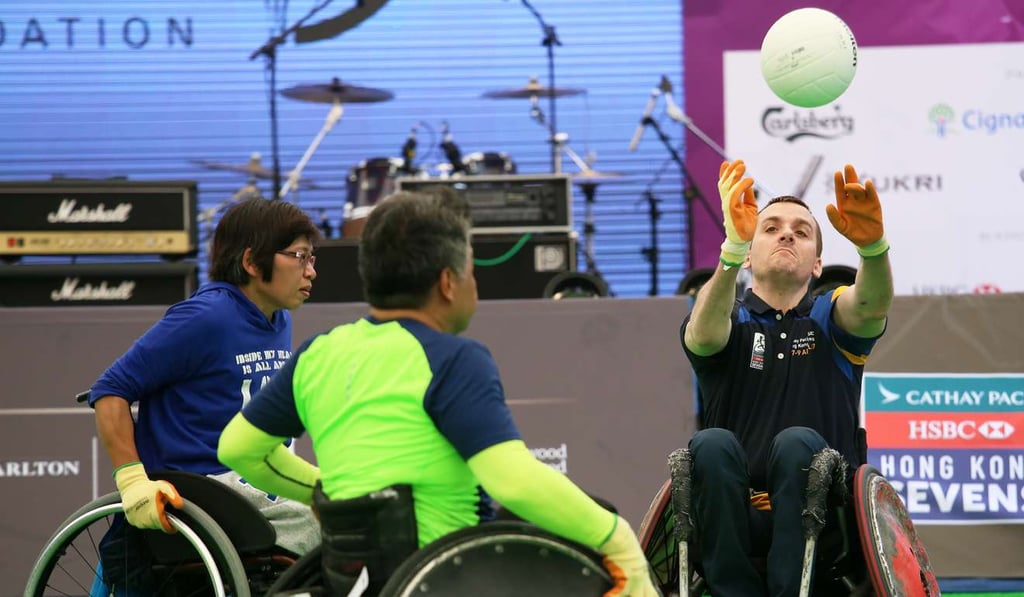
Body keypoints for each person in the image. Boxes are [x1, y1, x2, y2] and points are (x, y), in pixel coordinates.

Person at [218, 189, 657, 597]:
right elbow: (513, 480)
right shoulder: (453, 358)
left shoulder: (319, 353)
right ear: (448, 282)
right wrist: (618, 538)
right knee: (598, 524)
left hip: (356, 581)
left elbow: (238, 447)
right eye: (471, 268)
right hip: (451, 576)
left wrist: (329, 494)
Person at [680, 159, 893, 597]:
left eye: (801, 229)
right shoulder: (729, 318)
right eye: (770, 227)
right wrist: (730, 249)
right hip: (731, 517)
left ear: (817, 264)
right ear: (750, 254)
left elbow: (870, 306)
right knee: (710, 444)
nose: (786, 233)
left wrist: (873, 250)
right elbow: (701, 335)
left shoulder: (829, 314)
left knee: (797, 441)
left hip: (826, 519)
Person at [87, 197, 323, 591]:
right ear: (251, 262)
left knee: (346, 502)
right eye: (299, 257)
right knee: (323, 518)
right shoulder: (204, 317)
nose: (311, 271)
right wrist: (133, 483)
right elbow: (110, 389)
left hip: (251, 480)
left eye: (313, 258)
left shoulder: (278, 319)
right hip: (201, 488)